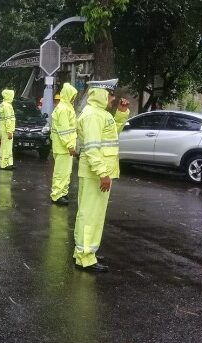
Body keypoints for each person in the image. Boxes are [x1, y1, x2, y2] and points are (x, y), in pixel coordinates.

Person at [73, 79, 120, 273]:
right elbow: (92, 148)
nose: (113, 98)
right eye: (110, 95)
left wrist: (123, 112)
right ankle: (85, 257)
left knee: (89, 214)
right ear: (101, 94)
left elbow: (112, 132)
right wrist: (103, 173)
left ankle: (84, 252)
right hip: (96, 174)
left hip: (96, 173)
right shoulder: (93, 115)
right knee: (90, 215)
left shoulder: (99, 114)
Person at [50, 83, 78, 205]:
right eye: (72, 96)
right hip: (63, 147)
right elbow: (64, 130)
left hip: (64, 147)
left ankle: (63, 193)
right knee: (61, 173)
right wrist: (70, 146)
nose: (73, 98)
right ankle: (57, 195)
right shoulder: (63, 109)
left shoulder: (66, 107)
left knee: (66, 172)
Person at [0, 89, 16, 170]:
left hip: (4, 128)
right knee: (6, 146)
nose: (13, 97)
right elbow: (8, 119)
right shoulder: (7, 106)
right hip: (6, 129)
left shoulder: (3, 104)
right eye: (12, 95)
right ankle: (4, 164)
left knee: (7, 146)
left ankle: (9, 163)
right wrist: (9, 131)